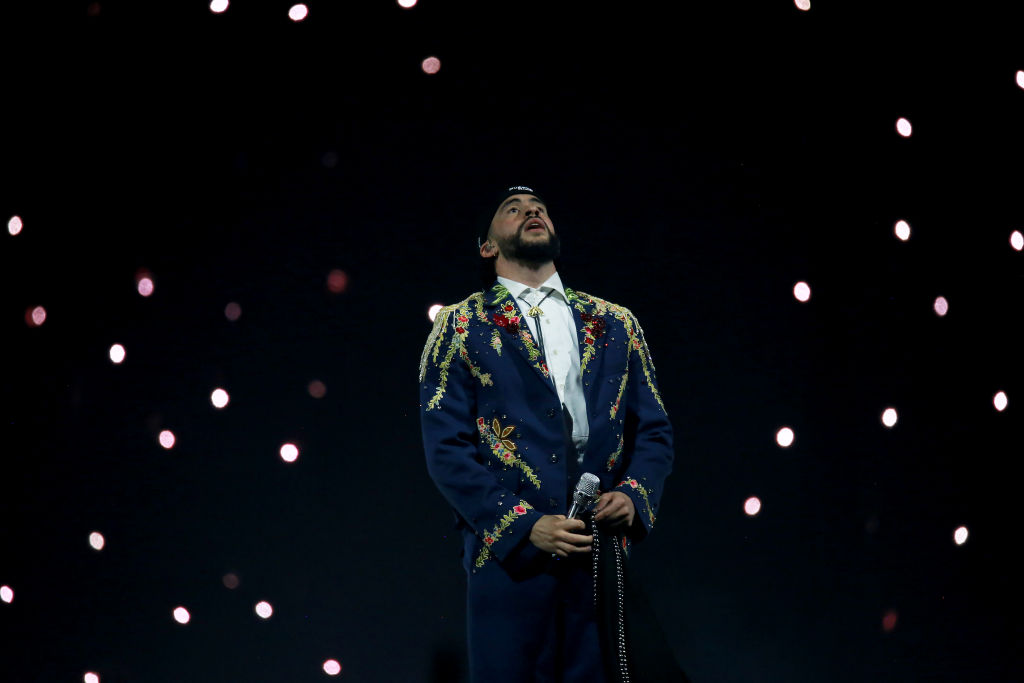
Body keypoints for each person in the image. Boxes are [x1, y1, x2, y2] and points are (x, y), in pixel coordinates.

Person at [419, 186, 675, 682]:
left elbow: (655, 431)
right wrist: (523, 526)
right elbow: (447, 452)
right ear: (486, 246)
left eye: (538, 207)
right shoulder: (459, 326)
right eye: (511, 210)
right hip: (508, 564)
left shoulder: (617, 323)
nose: (531, 211)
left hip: (600, 559)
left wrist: (634, 495)